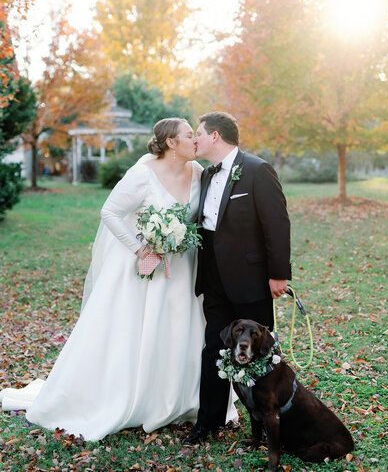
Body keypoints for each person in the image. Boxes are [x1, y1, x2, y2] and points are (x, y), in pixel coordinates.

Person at [1, 118, 238, 441]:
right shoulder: (143, 173)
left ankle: (180, 399)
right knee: (135, 331)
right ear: (170, 143)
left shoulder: (198, 172)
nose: (194, 141)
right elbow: (110, 212)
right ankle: (131, 398)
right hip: (143, 272)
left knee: (179, 328)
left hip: (184, 270)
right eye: (187, 135)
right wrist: (142, 248)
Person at [184, 111, 291, 444]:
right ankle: (207, 422)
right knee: (214, 349)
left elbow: (277, 225)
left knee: (259, 354)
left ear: (215, 136)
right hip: (213, 276)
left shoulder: (258, 170)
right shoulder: (203, 175)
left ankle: (267, 423)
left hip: (251, 278)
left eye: (198, 133)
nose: (195, 140)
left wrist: (278, 275)